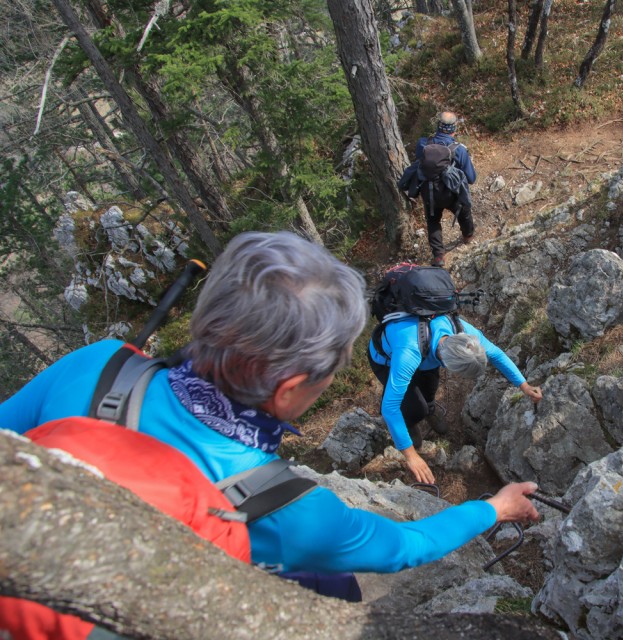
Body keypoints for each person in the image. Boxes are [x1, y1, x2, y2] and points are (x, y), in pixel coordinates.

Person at [0, 232, 539, 594]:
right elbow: (405, 546)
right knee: (338, 588)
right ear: (289, 391)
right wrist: (494, 508)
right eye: (335, 365)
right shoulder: (287, 511)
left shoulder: (96, 365)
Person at [368, 313, 543, 484]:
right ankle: (411, 422)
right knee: (414, 407)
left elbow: (496, 354)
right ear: (447, 364)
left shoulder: (463, 333)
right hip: (387, 359)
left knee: (430, 388)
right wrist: (411, 455)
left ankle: (429, 409)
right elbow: (389, 407)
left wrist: (524, 386)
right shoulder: (409, 353)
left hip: (427, 352)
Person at [415, 111, 477, 267]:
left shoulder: (423, 144)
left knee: (433, 220)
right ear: (454, 128)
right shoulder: (459, 150)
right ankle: (468, 235)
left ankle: (438, 256)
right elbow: (471, 178)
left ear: (438, 126)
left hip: (429, 192)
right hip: (451, 193)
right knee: (464, 210)